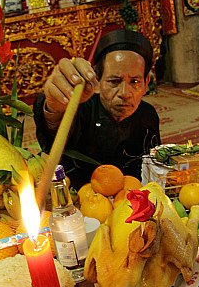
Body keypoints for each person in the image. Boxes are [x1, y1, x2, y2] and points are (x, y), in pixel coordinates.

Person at [33, 29, 161, 189]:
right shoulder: (80, 109)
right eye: (114, 81)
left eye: (135, 82)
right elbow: (53, 126)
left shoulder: (148, 114)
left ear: (146, 82)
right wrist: (54, 105)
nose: (125, 93)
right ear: (98, 80)